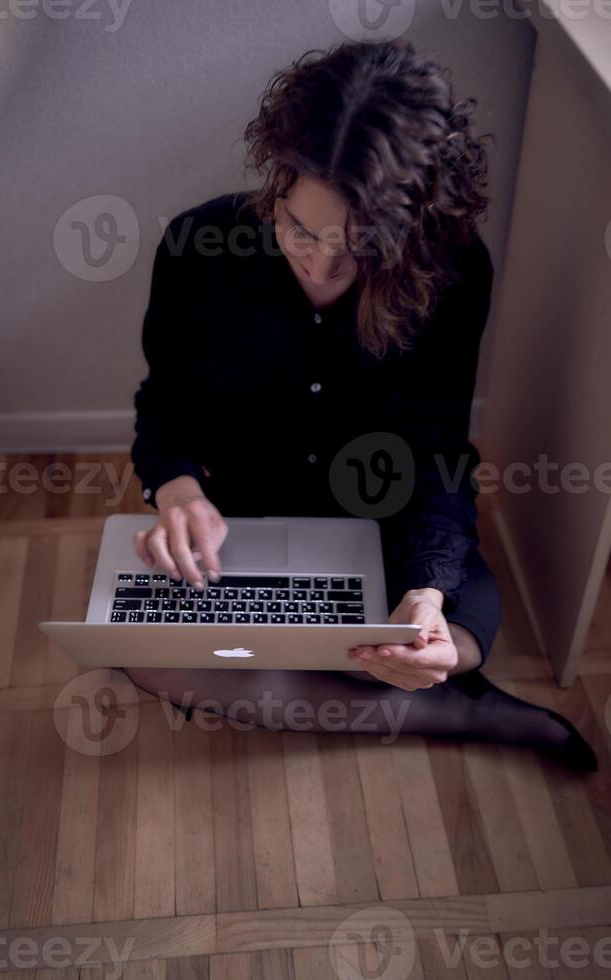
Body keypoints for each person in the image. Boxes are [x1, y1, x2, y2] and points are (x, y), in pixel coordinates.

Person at [122, 38, 596, 771]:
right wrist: (176, 486)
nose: (317, 264)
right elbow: (164, 408)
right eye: (298, 230)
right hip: (248, 527)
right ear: (278, 181)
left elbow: (436, 454)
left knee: (459, 635)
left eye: (356, 249)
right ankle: (457, 716)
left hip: (384, 523)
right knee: (144, 654)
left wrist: (428, 595)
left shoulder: (453, 270)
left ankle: (416, 677)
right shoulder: (196, 245)